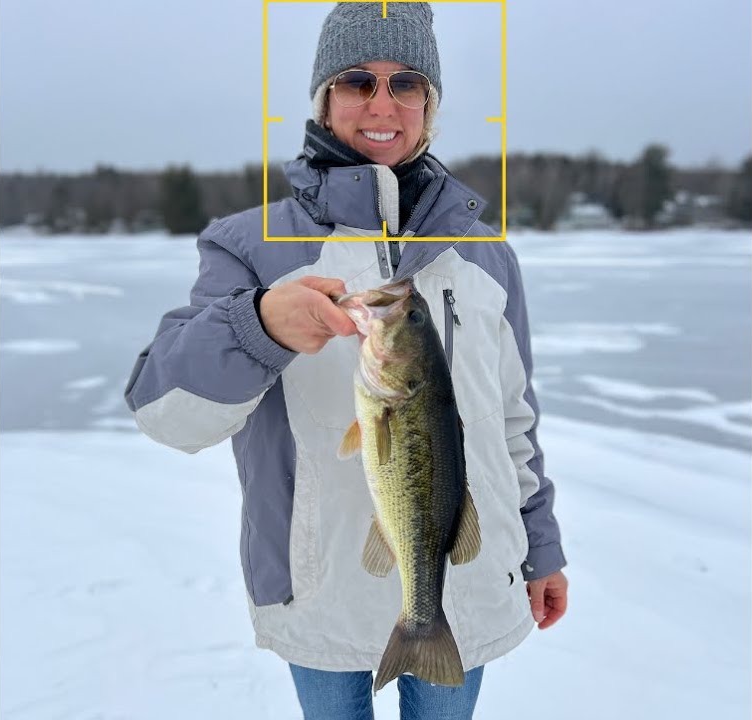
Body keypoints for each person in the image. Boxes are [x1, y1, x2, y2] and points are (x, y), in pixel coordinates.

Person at [124, 3, 567, 717]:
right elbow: (163, 413)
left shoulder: (487, 254)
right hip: (320, 589)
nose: (382, 104)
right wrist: (258, 324)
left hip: (471, 584)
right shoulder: (252, 244)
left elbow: (514, 419)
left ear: (431, 104)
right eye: (358, 81)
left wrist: (541, 547)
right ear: (325, 101)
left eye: (408, 83)